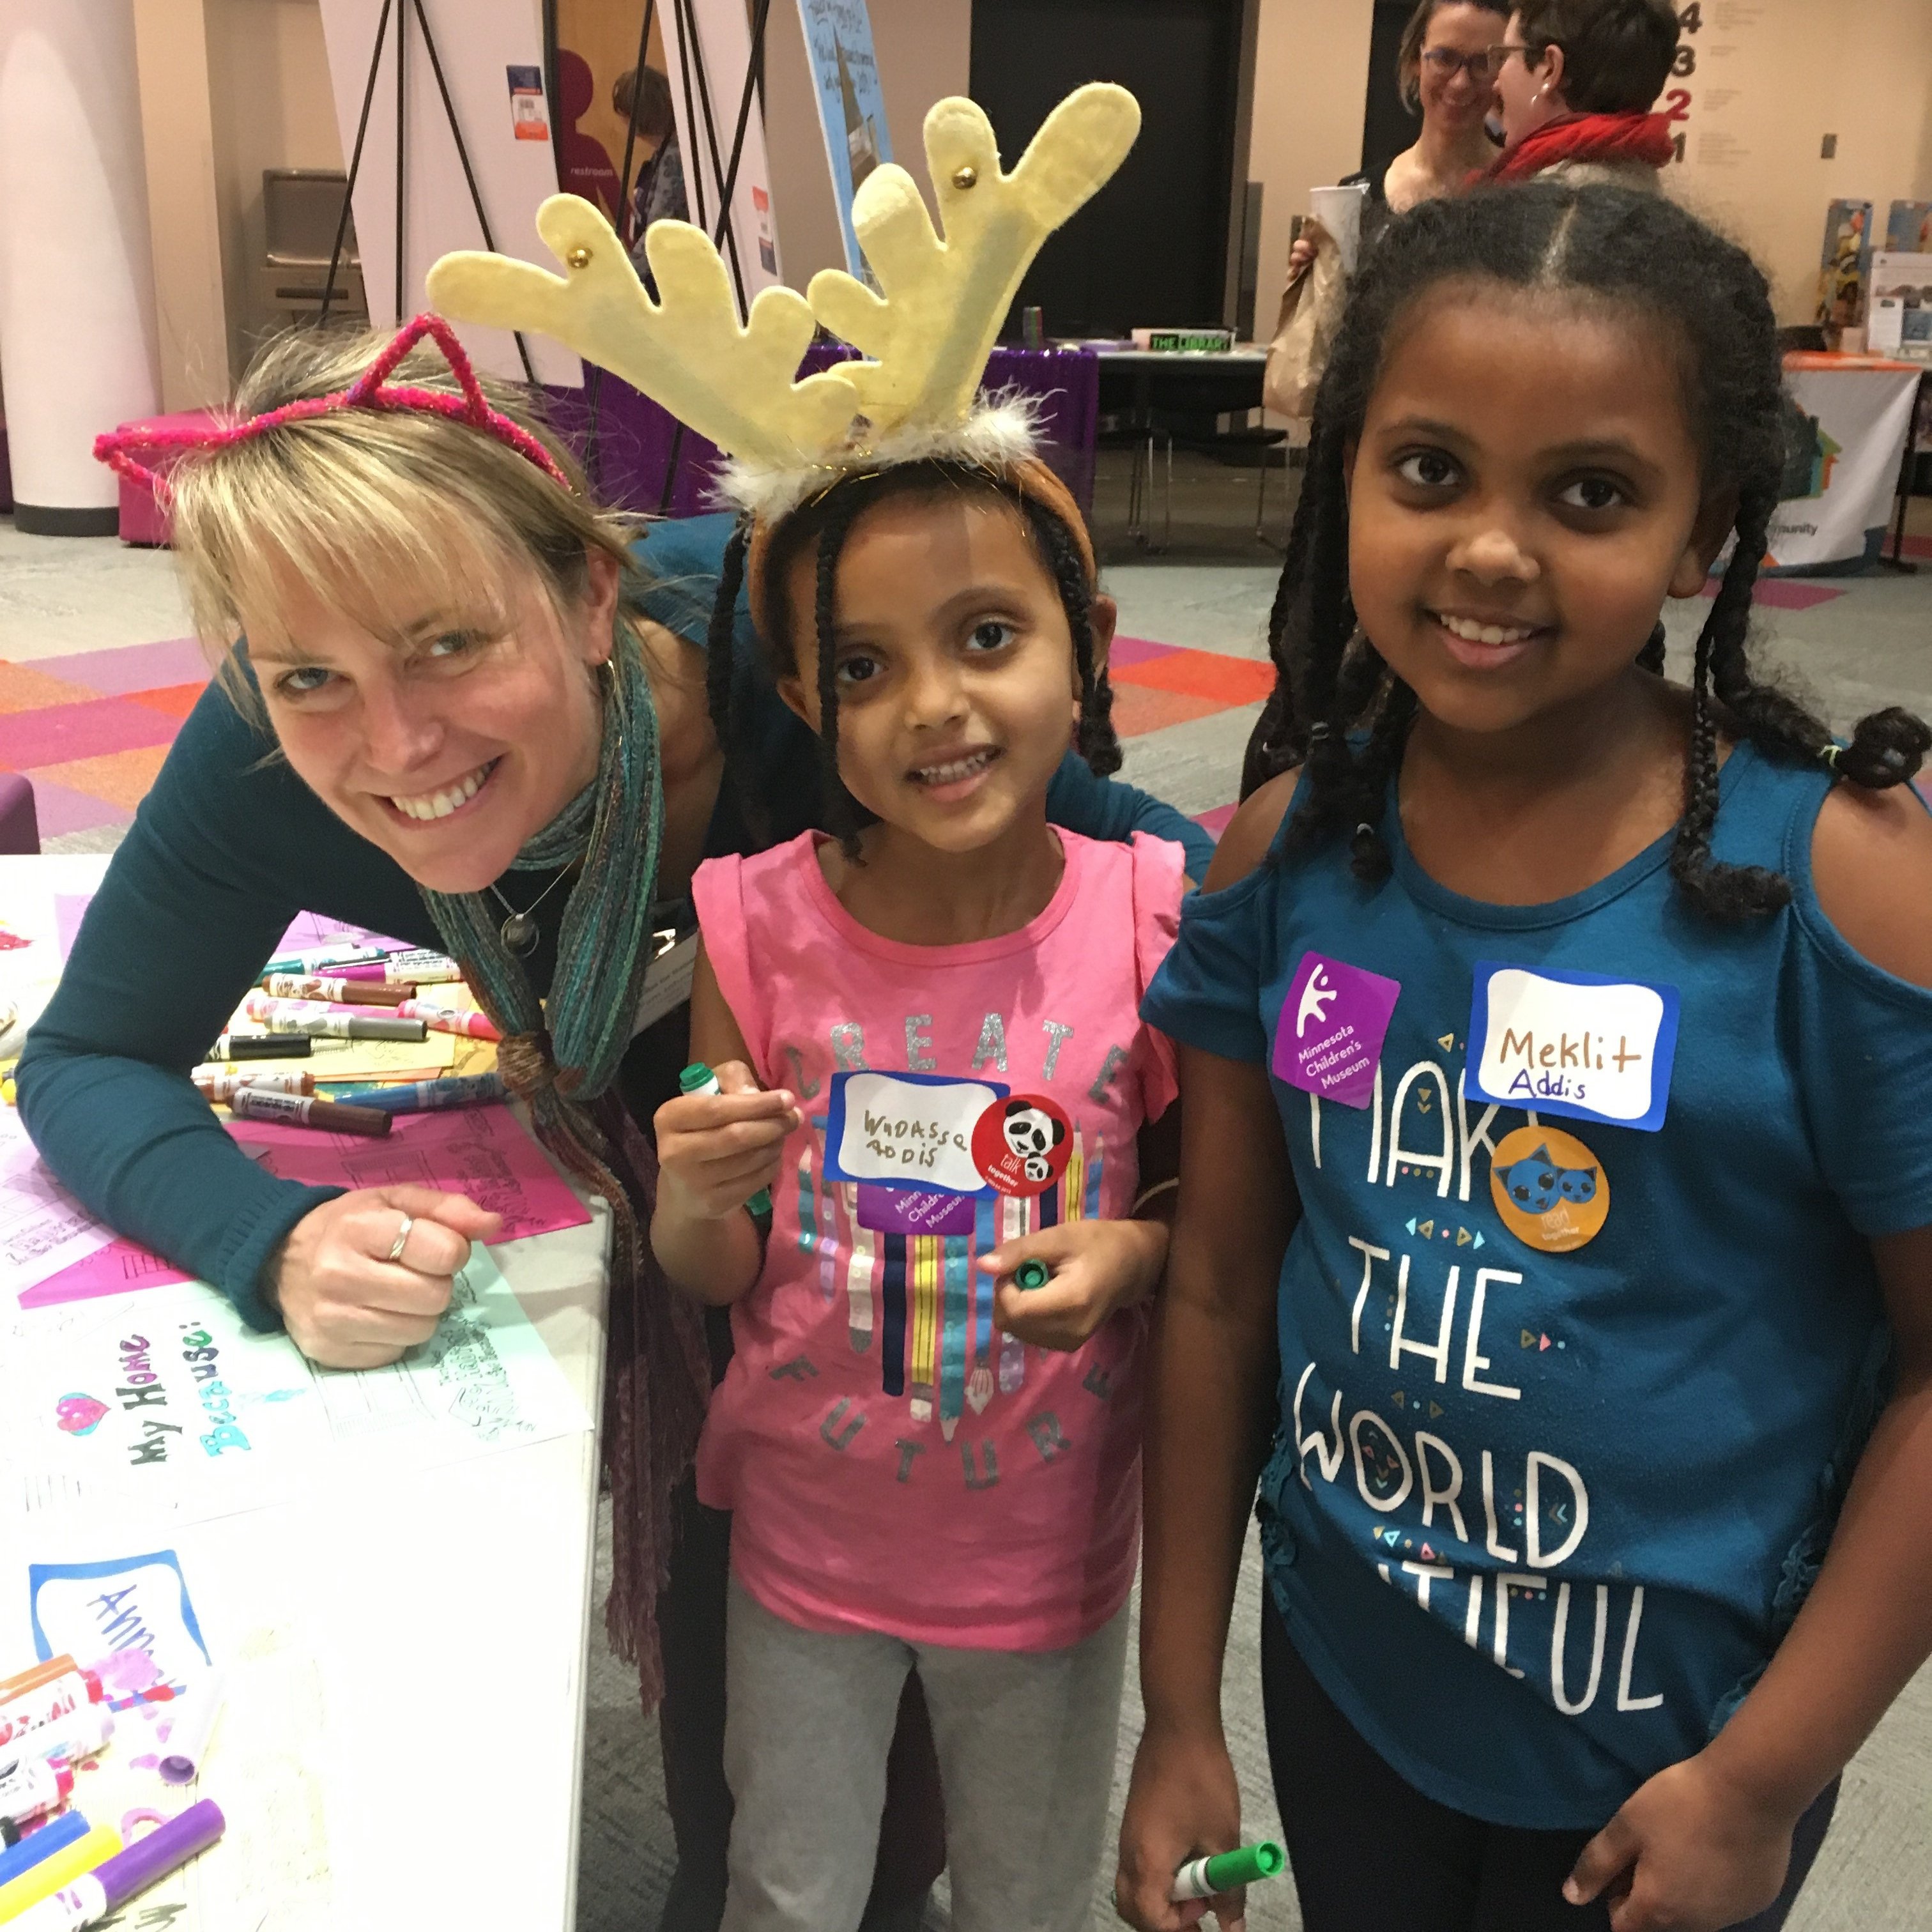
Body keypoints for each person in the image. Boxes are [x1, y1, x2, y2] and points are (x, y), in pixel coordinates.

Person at [29, 321, 1211, 1928]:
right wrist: (277, 1236)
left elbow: (1129, 845)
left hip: (913, 1281)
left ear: (594, 595)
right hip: (706, 1247)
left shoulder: (811, 647)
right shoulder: (263, 751)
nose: (395, 745)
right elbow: (89, 1057)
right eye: (312, 676)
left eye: (449, 645)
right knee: (746, 1766)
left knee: (927, 1807)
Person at [1114, 180, 1932, 1932]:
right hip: (1346, 1674)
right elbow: (1218, 1290)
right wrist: (1179, 1708)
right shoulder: (1283, 856)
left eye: (1588, 494)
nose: (1492, 548)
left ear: (1709, 525)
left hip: (1681, 1751)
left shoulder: (1841, 880)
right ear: (1344, 474)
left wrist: (1765, 1781)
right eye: (1429, 471)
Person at [653, 452, 1182, 1932]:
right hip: (807, 1544)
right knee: (789, 1884)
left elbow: (1217, 1220)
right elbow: (713, 1265)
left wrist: (1133, 1254)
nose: (935, 704)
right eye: (868, 665)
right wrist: (693, 1192)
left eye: (990, 638)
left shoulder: (1149, 917)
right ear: (811, 704)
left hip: (1047, 1549)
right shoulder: (751, 924)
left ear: (1089, 647)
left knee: (1030, 1892)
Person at [1284, 1, 1508, 284]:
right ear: (1417, 60)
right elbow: (1338, 323)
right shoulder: (1357, 197)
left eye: (1483, 63)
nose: (1460, 83)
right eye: (1445, 58)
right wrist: (1311, 277)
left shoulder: (1529, 188)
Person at [1487, 0, 1681, 186]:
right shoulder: (1639, 180)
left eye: (1505, 56)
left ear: (1550, 69)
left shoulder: (1545, 206)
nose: (1496, 84)